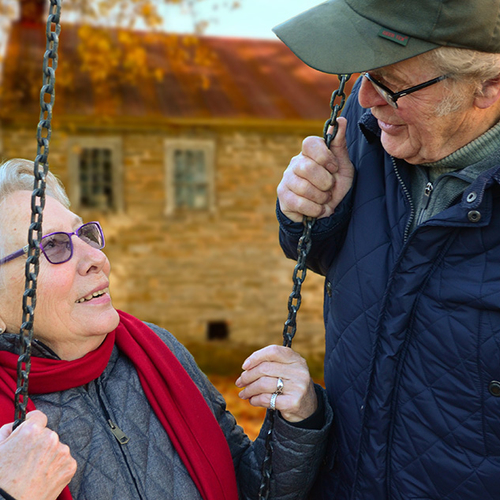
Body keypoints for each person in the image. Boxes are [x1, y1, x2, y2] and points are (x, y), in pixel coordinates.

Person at [0, 158, 332, 500]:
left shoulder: (157, 350)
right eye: (52, 245)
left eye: (82, 234)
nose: (96, 258)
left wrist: (298, 421)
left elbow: (246, 488)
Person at [273, 0, 500, 499]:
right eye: (363, 72)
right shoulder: (373, 123)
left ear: (489, 87)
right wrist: (311, 216)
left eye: (392, 83)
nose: (367, 97)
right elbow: (339, 258)